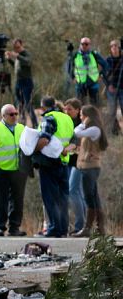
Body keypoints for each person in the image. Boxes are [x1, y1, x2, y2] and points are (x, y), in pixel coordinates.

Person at [34, 96, 73, 238]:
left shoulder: (49, 118)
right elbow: (74, 140)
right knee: (63, 198)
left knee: (50, 197)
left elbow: (44, 139)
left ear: (43, 107)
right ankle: (63, 229)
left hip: (49, 162)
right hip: (64, 162)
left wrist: (33, 149)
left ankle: (54, 228)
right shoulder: (67, 118)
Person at [0, 104, 27, 236]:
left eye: (16, 113)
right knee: (1, 200)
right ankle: (1, 228)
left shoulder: (22, 128)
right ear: (3, 116)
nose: (14, 116)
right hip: (1, 170)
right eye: (11, 114)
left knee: (18, 200)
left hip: (19, 170)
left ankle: (14, 228)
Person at [71, 105, 109, 237]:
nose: (80, 117)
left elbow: (76, 132)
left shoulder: (94, 129)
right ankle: (99, 228)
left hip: (90, 167)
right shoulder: (92, 129)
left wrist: (83, 123)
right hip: (87, 167)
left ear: (88, 116)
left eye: (82, 115)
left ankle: (88, 228)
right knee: (93, 196)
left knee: (89, 197)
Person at [63, 99, 85, 235]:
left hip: (79, 162)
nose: (67, 111)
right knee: (76, 192)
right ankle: (82, 226)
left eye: (70, 109)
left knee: (73, 191)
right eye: (65, 109)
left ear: (77, 110)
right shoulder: (66, 122)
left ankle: (80, 226)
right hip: (68, 162)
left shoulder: (81, 125)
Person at [5, 39, 37, 127]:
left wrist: (17, 56)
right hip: (19, 82)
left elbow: (28, 62)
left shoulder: (26, 54)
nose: (17, 49)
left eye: (18, 47)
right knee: (20, 104)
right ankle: (22, 123)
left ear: (22, 45)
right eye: (15, 48)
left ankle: (35, 124)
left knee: (28, 104)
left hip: (27, 82)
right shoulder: (18, 57)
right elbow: (16, 68)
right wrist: (9, 59)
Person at [69, 37, 109, 104]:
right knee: (79, 104)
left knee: (95, 104)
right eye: (82, 44)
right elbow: (70, 67)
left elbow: (105, 65)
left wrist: (101, 75)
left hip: (93, 82)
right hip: (80, 83)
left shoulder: (94, 54)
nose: (84, 46)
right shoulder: (75, 55)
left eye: (86, 44)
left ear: (89, 45)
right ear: (80, 44)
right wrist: (72, 77)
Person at [105, 39, 123, 135]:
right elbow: (104, 75)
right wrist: (108, 85)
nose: (114, 48)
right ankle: (114, 131)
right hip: (111, 89)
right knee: (112, 111)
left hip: (122, 88)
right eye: (112, 46)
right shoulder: (108, 60)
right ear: (110, 48)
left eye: (116, 46)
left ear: (119, 48)